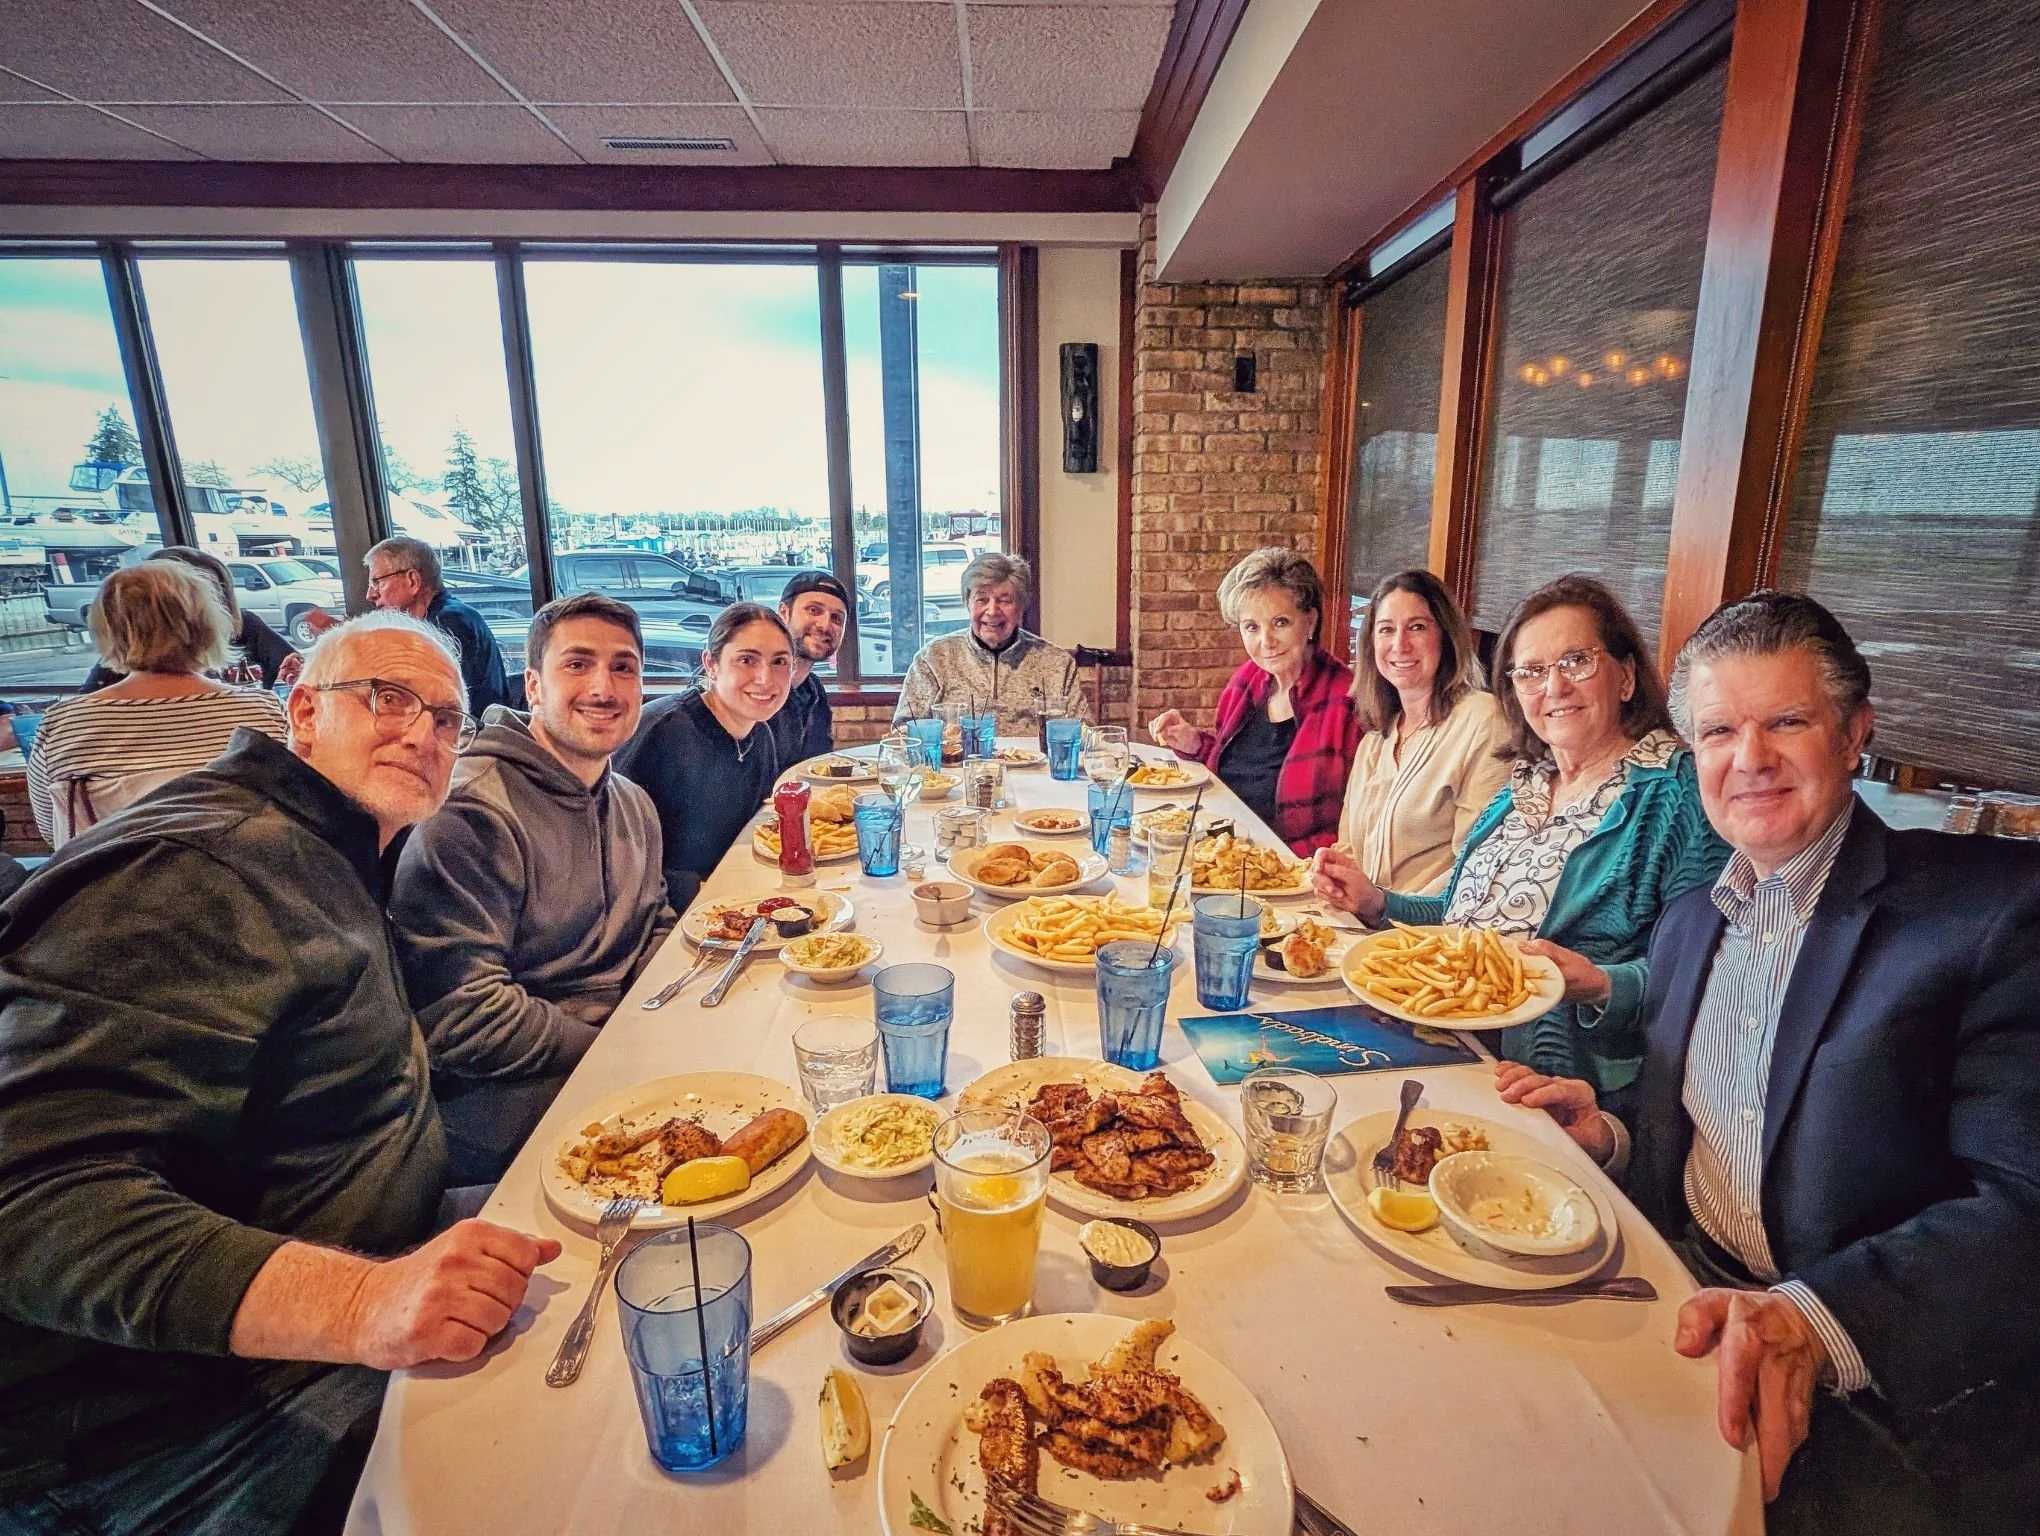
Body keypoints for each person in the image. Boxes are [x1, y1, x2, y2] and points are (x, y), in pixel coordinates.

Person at [0, 611, 559, 1535]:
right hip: (165, 1418)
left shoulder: (329, 849)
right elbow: (30, 1194)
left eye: (448, 719)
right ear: (302, 713)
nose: (421, 731)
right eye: (386, 698)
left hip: (371, 1260)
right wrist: (366, 1302)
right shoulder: (199, 864)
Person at [1495, 591, 2040, 1535]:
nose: (1748, 759)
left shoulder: (1989, 916)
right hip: (1680, 1299)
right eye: (1718, 731)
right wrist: (1612, 1131)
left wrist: (1816, 1320)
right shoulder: (1691, 920)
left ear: (1855, 733)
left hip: (1878, 1396)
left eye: (1786, 721)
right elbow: (1702, 1128)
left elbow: (2023, 1205)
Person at [1313, 574, 1727, 1093]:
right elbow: (1459, 921)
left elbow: (1711, 975)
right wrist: (1377, 904)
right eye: (1530, 671)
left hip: (1553, 1084)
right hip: (1443, 1040)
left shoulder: (1677, 794)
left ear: (1625, 677)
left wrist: (1600, 984)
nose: (1553, 687)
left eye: (1577, 661)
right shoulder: (1528, 782)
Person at [392, 594, 675, 1185]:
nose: (604, 687)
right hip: (504, 1098)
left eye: (623, 667)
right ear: (533, 686)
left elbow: (654, 924)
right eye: (577, 664)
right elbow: (464, 1017)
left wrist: (671, 1015)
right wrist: (620, 1048)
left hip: (622, 1052)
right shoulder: (470, 812)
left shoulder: (633, 802)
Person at [27, 560, 289, 848]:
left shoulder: (64, 724)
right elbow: (296, 814)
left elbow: (54, 830)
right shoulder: (263, 712)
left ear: (107, 629)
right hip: (253, 883)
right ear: (209, 624)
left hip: (113, 886)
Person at [1147, 548, 1360, 855]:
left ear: (1310, 621)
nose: (1266, 641)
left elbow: (1358, 825)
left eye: (1281, 622)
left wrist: (1276, 859)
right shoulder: (1246, 682)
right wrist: (1195, 744)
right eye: (1252, 627)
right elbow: (1238, 772)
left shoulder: (1347, 701)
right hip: (1224, 852)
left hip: (1295, 869)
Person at [1336, 569, 1512, 892]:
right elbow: (1348, 850)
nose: (1399, 645)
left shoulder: (1484, 721)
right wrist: (1331, 876)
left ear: (1446, 635)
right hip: (1361, 927)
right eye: (1386, 630)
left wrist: (1382, 909)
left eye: (1416, 627)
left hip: (1428, 935)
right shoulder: (1376, 739)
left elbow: (1475, 866)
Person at [615, 601, 792, 911]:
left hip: (735, 901)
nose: (766, 678)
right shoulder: (664, 731)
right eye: (747, 660)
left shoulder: (761, 734)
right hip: (663, 920)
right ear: (711, 664)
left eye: (779, 661)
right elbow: (619, 857)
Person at [893, 552, 1089, 737]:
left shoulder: (1057, 662)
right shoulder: (934, 658)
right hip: (954, 770)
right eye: (982, 599)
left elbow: (1085, 732)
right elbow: (903, 732)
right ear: (967, 602)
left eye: (1005, 601)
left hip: (1041, 772)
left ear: (1021, 606)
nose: (992, 611)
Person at [80, 546, 301, 692]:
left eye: (217, 593)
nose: (211, 606)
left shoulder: (245, 625)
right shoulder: (131, 650)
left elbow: (294, 669)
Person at [365, 535, 511, 715]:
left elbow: (440, 706)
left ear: (413, 581)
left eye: (377, 582)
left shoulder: (449, 624)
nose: (370, 595)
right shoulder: (445, 616)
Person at [768, 570, 850, 767]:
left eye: (836, 618)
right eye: (814, 610)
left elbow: (818, 767)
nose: (824, 625)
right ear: (784, 613)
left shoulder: (813, 691)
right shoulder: (754, 686)